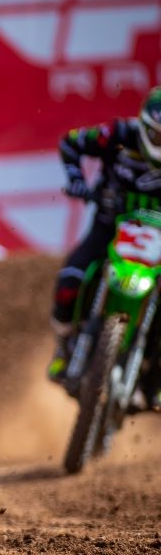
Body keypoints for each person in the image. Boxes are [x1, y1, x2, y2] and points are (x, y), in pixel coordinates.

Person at [49, 86, 161, 381]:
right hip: (110, 227)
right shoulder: (119, 134)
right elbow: (71, 143)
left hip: (158, 238)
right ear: (144, 127)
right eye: (158, 136)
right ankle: (63, 348)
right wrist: (76, 180)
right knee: (70, 281)